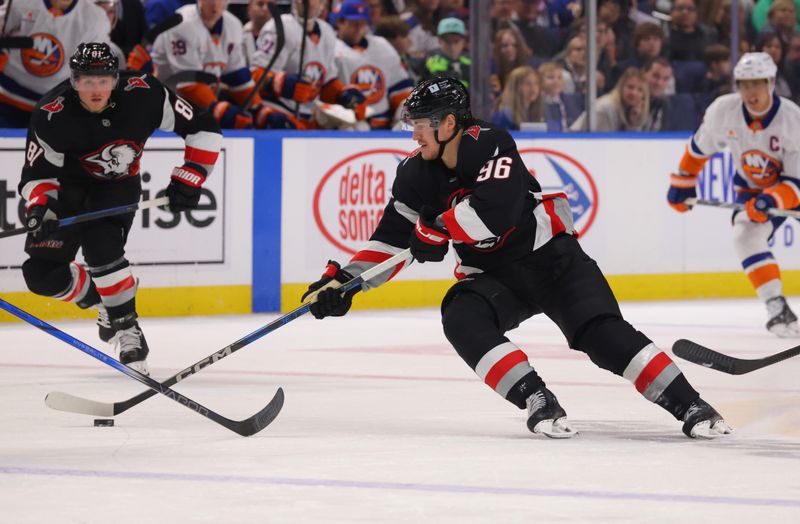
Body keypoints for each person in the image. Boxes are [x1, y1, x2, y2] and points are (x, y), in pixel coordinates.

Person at [301, 76, 732, 440]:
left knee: (602, 335)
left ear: (448, 123)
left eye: (419, 125)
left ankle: (692, 407)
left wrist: (436, 228)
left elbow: (495, 212)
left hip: (552, 260)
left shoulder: (490, 142)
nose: (413, 135)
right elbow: (390, 240)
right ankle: (536, 398)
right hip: (493, 276)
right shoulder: (414, 174)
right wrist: (345, 282)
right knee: (461, 317)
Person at [17, 42, 222, 374]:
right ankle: (107, 301)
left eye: (102, 80)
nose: (95, 89)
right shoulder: (50, 114)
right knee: (40, 276)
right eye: (86, 81)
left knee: (102, 251)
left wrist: (192, 175)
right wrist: (42, 208)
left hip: (116, 189)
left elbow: (203, 127)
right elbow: (37, 174)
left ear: (115, 78)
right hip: (67, 192)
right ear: (73, 81)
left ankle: (127, 329)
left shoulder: (145, 94)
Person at [667, 52, 800, 338]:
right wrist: (684, 180)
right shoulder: (723, 110)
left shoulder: (792, 119)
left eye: (758, 83)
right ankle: (777, 308)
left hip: (792, 189)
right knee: (745, 236)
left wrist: (771, 200)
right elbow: (699, 149)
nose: (751, 92)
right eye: (744, 84)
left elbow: (795, 183)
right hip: (752, 189)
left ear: (771, 82)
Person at [251, 0, 367, 129]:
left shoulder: (327, 32)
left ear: (322, 3)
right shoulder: (278, 27)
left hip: (310, 114)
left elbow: (326, 84)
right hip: (278, 110)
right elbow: (254, 76)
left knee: (358, 128)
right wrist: (280, 84)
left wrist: (343, 94)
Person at [148, 0, 261, 129]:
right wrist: (220, 111)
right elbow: (187, 83)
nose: (215, 4)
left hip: (201, 106)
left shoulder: (233, 25)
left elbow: (237, 76)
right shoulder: (182, 22)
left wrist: (258, 109)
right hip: (165, 104)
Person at [0, 0, 111, 127]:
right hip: (7, 99)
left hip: (58, 109)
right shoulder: (18, 3)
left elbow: (97, 70)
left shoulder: (96, 18)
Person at [333, 0, 413, 129]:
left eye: (362, 24)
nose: (359, 29)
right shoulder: (332, 48)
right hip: (350, 121)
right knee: (353, 126)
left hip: (386, 122)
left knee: (414, 113)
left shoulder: (382, 46)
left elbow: (401, 90)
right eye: (354, 24)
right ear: (340, 22)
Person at [570, 67, 651, 132]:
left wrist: (634, 121)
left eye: (640, 90)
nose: (634, 93)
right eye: (630, 87)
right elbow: (604, 143)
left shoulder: (636, 111)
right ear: (621, 87)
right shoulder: (606, 108)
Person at [422, 17, 471, 88]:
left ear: (463, 41)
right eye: (447, 42)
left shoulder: (470, 62)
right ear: (439, 41)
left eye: (456, 41)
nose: (452, 47)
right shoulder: (430, 63)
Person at [491, 65, 544, 130]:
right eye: (528, 83)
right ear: (515, 87)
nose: (533, 88)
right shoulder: (504, 115)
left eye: (536, 83)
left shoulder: (535, 113)